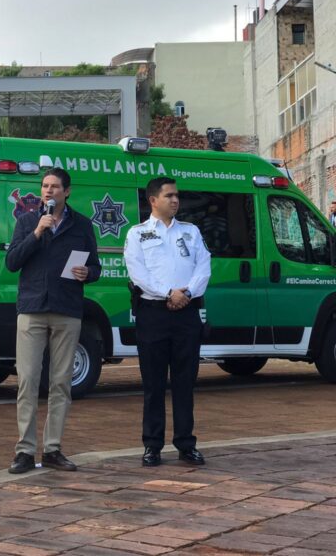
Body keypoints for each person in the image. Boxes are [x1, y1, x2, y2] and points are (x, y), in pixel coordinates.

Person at [5, 168, 100, 474]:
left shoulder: (82, 225)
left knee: (61, 382)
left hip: (67, 309)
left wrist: (89, 273)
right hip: (32, 309)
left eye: (54, 187)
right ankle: (24, 450)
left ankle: (53, 449)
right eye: (44, 186)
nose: (48, 191)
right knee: (29, 380)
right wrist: (36, 234)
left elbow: (95, 265)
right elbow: (12, 262)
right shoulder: (27, 222)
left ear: (67, 192)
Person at [124, 177, 211, 468]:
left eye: (177, 195)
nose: (175, 200)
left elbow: (203, 266)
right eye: (169, 195)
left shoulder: (191, 232)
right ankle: (152, 445)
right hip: (153, 313)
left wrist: (185, 292)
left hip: (186, 313)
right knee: (154, 383)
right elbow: (138, 274)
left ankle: (186, 444)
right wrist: (167, 294)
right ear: (153, 201)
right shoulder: (137, 234)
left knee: (185, 382)